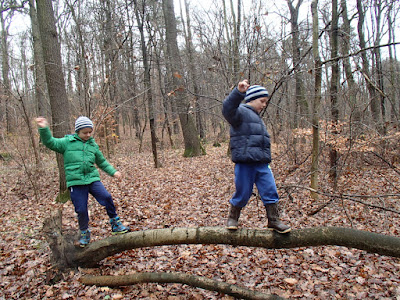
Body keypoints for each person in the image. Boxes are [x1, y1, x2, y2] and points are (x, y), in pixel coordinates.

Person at [35, 116, 130, 247]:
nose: (88, 135)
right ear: (78, 131)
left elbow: (101, 162)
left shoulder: (93, 145)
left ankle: (115, 224)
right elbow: (50, 143)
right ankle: (84, 233)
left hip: (92, 179)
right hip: (76, 182)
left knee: (106, 197)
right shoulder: (67, 142)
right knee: (81, 209)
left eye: (90, 132)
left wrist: (113, 172)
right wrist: (44, 128)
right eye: (85, 132)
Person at [222, 80, 291, 234]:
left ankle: (274, 220)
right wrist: (238, 93)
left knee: (270, 190)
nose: (264, 105)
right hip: (245, 163)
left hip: (262, 163)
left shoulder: (258, 119)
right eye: (262, 101)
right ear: (252, 98)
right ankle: (233, 218)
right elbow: (227, 109)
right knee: (243, 192)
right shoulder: (239, 113)